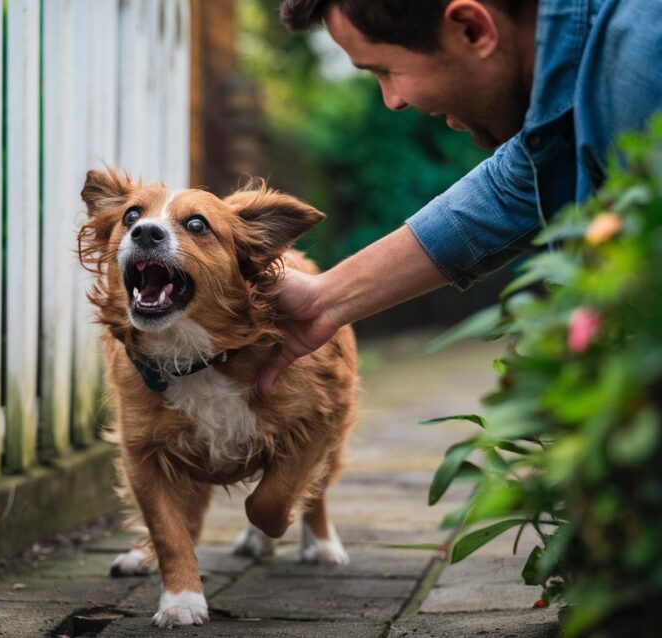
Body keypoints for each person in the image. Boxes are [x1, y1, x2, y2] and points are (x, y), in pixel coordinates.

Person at [258, 0, 662, 393]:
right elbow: (509, 190)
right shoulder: (579, 72)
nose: (392, 101)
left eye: (386, 70)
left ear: (472, 29)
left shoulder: (645, 64)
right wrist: (322, 299)